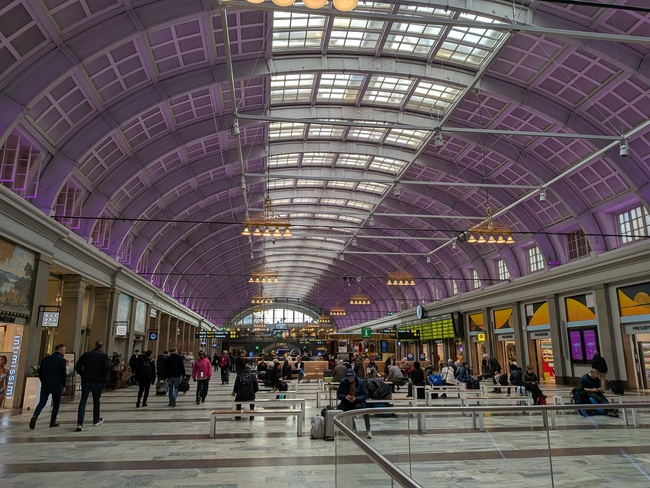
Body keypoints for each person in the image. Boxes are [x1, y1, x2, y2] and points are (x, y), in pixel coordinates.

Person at [29, 344, 67, 429]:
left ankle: (35, 415)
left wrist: (43, 381)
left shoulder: (46, 359)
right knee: (56, 403)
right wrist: (63, 385)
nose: (64, 352)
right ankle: (53, 421)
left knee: (42, 402)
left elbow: (40, 372)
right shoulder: (62, 360)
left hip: (46, 384)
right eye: (64, 350)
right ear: (60, 350)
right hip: (56, 385)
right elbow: (63, 374)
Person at [75, 341, 110, 431]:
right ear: (102, 347)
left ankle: (79, 423)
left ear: (95, 345)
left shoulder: (86, 355)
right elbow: (106, 368)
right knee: (96, 401)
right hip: (97, 381)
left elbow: (78, 366)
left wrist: (83, 374)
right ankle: (96, 419)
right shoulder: (104, 356)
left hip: (86, 380)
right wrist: (104, 380)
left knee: (83, 400)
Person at [337, 368, 372, 439]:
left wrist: (356, 398)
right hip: (347, 401)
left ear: (354, 375)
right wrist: (345, 397)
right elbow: (338, 394)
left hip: (358, 401)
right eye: (349, 378)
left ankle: (368, 429)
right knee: (344, 408)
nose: (350, 380)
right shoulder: (343, 382)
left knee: (365, 410)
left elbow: (365, 395)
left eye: (351, 378)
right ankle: (353, 428)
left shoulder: (360, 382)